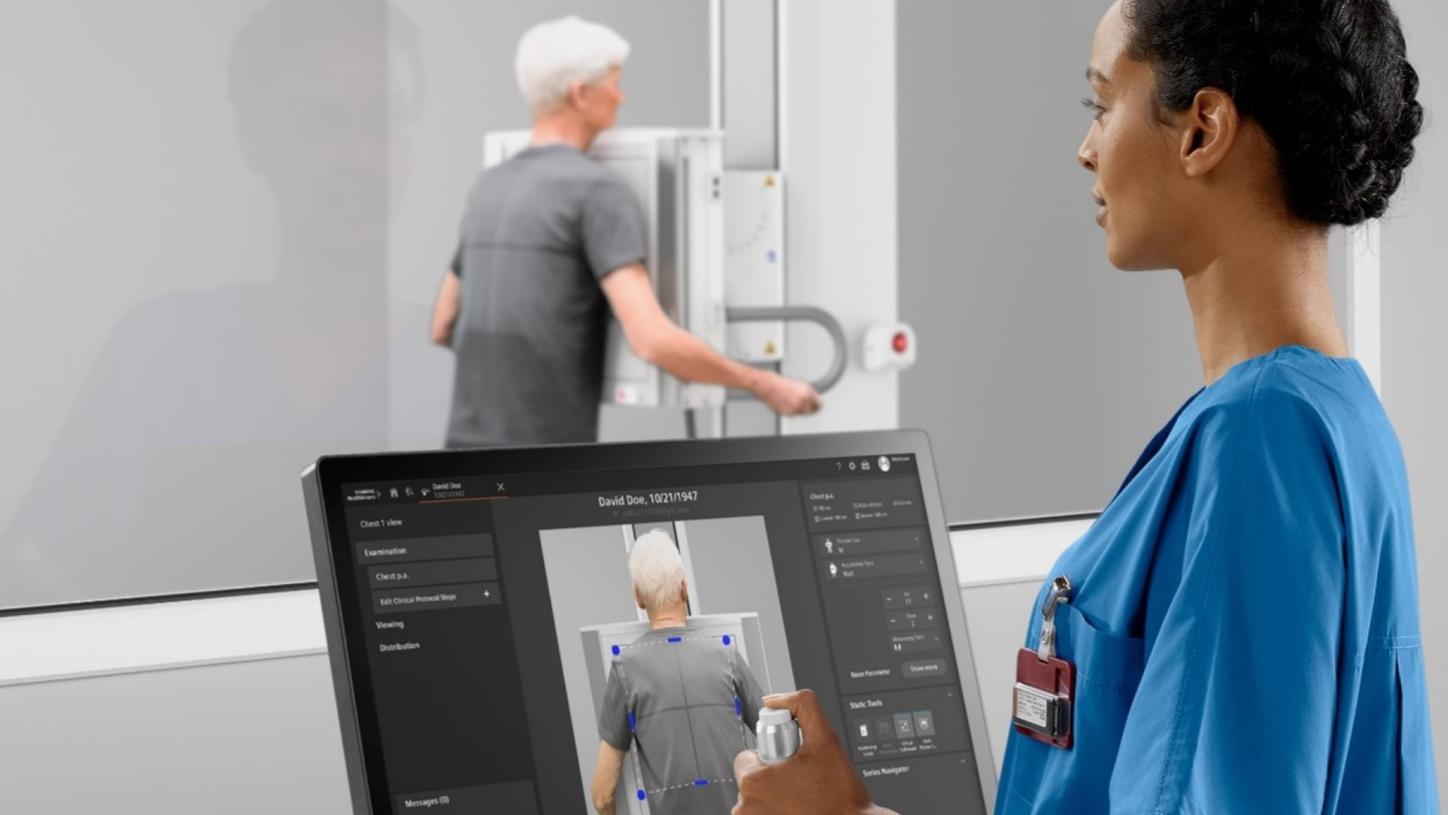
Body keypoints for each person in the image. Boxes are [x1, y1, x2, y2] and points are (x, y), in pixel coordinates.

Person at [731, 0, 1434, 813]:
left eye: (1102, 104)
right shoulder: (1335, 413)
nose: (1086, 148)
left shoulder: (1257, 438)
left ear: (1203, 129)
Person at [430, 16, 820, 448]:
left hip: (461, 455)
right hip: (540, 467)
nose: (621, 94)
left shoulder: (490, 184)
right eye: (614, 81)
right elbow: (652, 340)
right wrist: (764, 384)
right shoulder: (596, 191)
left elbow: (443, 325)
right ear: (581, 93)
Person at [592, 530, 766, 814]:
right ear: (684, 588)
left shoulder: (625, 669)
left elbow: (602, 795)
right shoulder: (727, 656)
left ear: (638, 597)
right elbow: (781, 750)